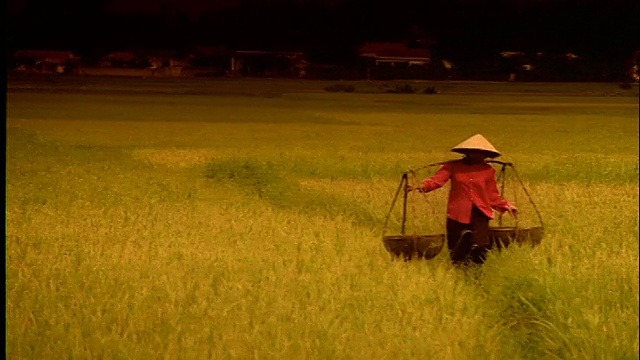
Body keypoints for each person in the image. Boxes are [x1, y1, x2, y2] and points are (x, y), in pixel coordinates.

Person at [408, 134, 517, 265]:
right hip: (457, 213)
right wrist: (420, 186)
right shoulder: (452, 167)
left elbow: (492, 195)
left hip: (480, 212)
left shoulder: (488, 170)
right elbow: (437, 181)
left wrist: (506, 206)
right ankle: (460, 273)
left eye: (482, 153)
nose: (479, 156)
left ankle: (477, 272)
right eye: (476, 152)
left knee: (480, 245)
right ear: (468, 153)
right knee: (456, 250)